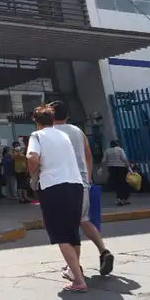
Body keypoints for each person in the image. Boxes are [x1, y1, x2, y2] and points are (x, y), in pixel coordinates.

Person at [26, 105, 88, 293]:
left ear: (36, 121)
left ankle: (79, 280)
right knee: (72, 232)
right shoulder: (64, 136)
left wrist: (32, 172)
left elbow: (32, 155)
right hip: (75, 185)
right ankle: (74, 271)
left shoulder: (37, 136)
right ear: (53, 120)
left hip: (53, 187)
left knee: (60, 233)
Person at [50, 100, 114, 277]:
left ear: (51, 115)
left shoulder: (49, 133)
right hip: (82, 183)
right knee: (84, 220)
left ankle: (73, 269)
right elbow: (88, 156)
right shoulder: (78, 131)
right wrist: (88, 177)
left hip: (62, 185)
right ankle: (103, 250)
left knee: (67, 227)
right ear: (67, 115)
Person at [102, 140, 132, 206]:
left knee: (117, 184)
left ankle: (119, 199)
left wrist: (101, 168)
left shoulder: (107, 151)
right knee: (124, 184)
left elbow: (104, 160)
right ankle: (123, 199)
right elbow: (124, 159)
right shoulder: (120, 150)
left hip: (112, 168)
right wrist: (130, 169)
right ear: (117, 144)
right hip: (121, 168)